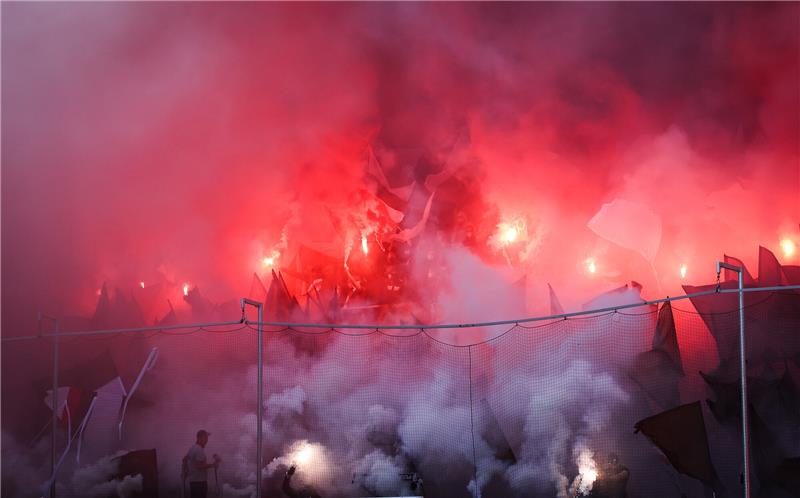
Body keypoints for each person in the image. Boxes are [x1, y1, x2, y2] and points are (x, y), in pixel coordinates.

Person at [182, 429, 221, 498]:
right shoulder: (199, 450)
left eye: (207, 438)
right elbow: (199, 466)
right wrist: (213, 465)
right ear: (199, 438)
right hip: (199, 482)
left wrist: (185, 471)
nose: (207, 440)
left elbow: (184, 459)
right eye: (205, 438)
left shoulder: (192, 448)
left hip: (193, 481)